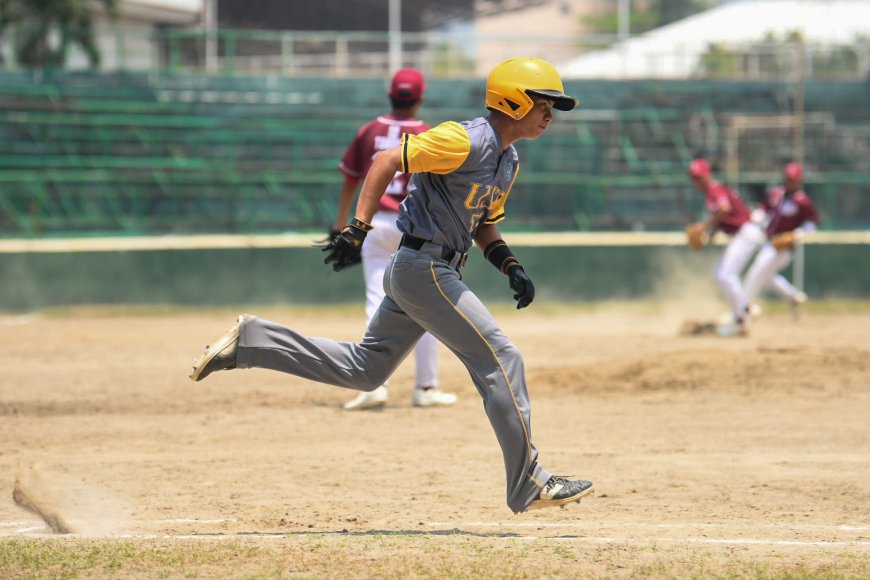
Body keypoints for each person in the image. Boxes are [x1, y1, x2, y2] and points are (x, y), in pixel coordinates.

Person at [189, 57, 594, 514]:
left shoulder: (509, 159)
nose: (551, 114)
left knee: (366, 370)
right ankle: (529, 482)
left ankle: (252, 340)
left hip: (425, 268)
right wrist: (357, 229)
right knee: (502, 357)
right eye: (545, 102)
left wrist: (510, 265)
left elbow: (485, 225)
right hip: (425, 269)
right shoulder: (462, 139)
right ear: (514, 100)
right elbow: (385, 159)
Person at [330, 68, 455, 411]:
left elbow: (351, 180)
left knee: (376, 300)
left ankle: (374, 383)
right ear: (420, 97)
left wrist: (342, 224)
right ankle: (426, 388)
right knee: (427, 308)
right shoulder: (430, 133)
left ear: (390, 95)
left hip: (373, 222)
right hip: (414, 225)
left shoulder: (369, 130)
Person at [686, 158, 764, 336]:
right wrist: (712, 233)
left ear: (708, 174)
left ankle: (743, 316)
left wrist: (704, 226)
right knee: (719, 275)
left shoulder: (714, 188)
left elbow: (724, 208)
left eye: (699, 176)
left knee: (725, 275)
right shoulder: (711, 190)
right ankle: (745, 310)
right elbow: (723, 215)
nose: (696, 181)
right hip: (741, 234)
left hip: (745, 232)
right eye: (694, 177)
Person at [743, 162, 819, 314]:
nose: (789, 183)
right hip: (770, 241)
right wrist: (757, 218)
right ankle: (793, 297)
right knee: (765, 276)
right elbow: (764, 209)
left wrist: (796, 234)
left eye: (793, 180)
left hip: (784, 247)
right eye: (787, 179)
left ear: (799, 181)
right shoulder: (777, 194)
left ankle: (743, 307)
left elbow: (812, 222)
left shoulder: (802, 201)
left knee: (757, 272)